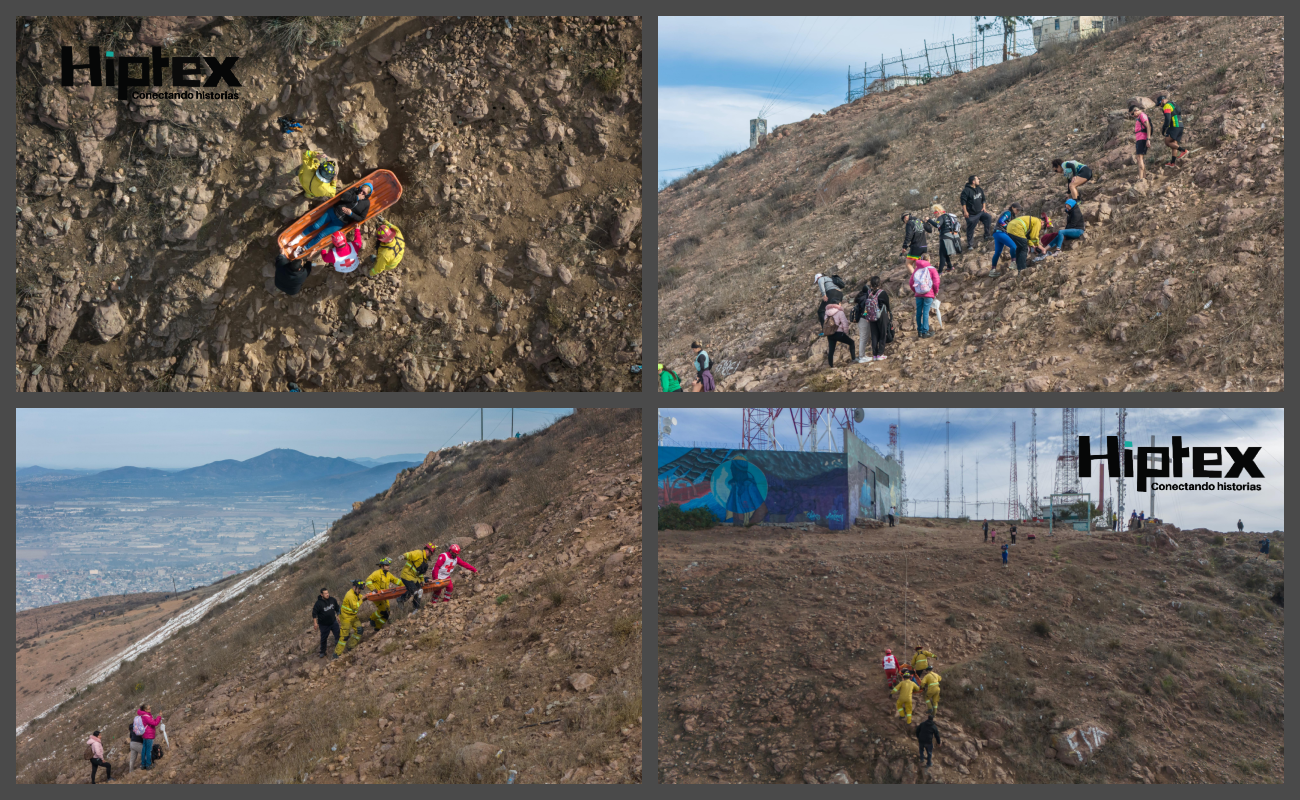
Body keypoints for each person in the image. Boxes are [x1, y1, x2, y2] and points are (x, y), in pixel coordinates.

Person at [294, 181, 373, 253]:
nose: (361, 193)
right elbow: (343, 196)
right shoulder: (354, 191)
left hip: (340, 222)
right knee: (316, 226)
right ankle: (299, 237)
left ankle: (304, 249)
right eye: (361, 190)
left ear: (368, 195)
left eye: (364, 193)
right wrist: (357, 197)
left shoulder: (366, 203)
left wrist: (351, 214)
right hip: (333, 211)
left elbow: (361, 218)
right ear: (360, 187)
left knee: (321, 235)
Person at [854, 276, 892, 363]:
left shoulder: (868, 292)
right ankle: (880, 354)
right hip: (881, 315)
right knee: (882, 333)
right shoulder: (882, 293)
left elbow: (866, 305)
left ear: (871, 284)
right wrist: (889, 313)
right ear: (879, 283)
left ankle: (874, 355)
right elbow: (887, 305)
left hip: (871, 316)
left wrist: (866, 315)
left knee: (874, 335)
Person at [364, 557, 404, 630]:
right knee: (383, 610)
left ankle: (377, 627)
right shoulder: (376, 573)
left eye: (388, 565)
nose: (388, 566)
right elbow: (368, 580)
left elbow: (396, 581)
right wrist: (373, 589)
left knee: (387, 613)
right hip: (377, 597)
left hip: (385, 596)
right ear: (382, 566)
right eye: (386, 565)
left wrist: (405, 585)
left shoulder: (388, 574)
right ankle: (372, 618)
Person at [397, 543, 438, 609]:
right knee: (415, 591)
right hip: (406, 575)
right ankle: (401, 599)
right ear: (428, 550)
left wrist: (422, 581)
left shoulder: (425, 560)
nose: (432, 555)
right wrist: (403, 556)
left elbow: (420, 573)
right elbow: (410, 554)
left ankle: (416, 608)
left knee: (420, 591)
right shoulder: (419, 553)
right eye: (432, 553)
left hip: (414, 578)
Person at [923, 204, 962, 274]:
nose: (935, 215)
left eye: (935, 213)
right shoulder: (948, 216)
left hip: (945, 237)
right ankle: (950, 266)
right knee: (945, 252)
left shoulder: (941, 217)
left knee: (942, 254)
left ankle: (940, 271)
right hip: (953, 236)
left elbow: (937, 225)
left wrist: (929, 220)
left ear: (939, 212)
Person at [1155, 94, 1190, 167]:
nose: (1160, 106)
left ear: (1163, 100)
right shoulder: (1174, 104)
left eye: (1160, 104)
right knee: (1174, 143)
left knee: (1167, 142)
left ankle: (1183, 150)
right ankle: (1172, 163)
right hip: (1180, 125)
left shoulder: (1166, 106)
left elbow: (1167, 119)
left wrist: (1164, 128)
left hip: (1174, 125)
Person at [908, 258, 940, 339]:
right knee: (925, 312)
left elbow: (911, 282)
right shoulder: (932, 269)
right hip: (928, 294)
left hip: (918, 294)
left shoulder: (916, 269)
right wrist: (935, 292)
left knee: (919, 312)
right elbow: (936, 282)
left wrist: (915, 291)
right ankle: (925, 332)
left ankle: (919, 331)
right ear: (928, 259)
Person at [335, 579, 368, 656]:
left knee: (359, 630)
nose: (360, 591)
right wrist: (362, 599)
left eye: (360, 589)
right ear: (354, 587)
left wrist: (368, 596)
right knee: (344, 636)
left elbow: (361, 597)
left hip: (352, 616)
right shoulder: (350, 595)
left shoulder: (356, 593)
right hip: (345, 617)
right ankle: (337, 654)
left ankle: (351, 646)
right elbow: (354, 606)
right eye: (359, 589)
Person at [960, 175, 993, 248]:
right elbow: (963, 202)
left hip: (980, 212)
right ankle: (970, 245)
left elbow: (983, 199)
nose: (979, 180)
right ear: (973, 181)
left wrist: (984, 207)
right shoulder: (966, 191)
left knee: (988, 217)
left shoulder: (979, 189)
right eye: (978, 179)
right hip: (971, 214)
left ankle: (987, 236)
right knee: (970, 228)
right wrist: (965, 212)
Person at [822, 298, 855, 366]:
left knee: (831, 350)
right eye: (840, 303)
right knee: (851, 343)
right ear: (838, 304)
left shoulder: (827, 313)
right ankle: (854, 360)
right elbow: (845, 323)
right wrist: (846, 332)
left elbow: (825, 322)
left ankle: (831, 366)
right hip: (839, 333)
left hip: (830, 334)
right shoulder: (840, 312)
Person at [990, 203, 1021, 272]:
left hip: (997, 233)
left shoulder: (1013, 217)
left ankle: (993, 270)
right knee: (1013, 246)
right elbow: (1001, 221)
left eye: (1019, 210)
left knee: (998, 252)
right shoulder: (1008, 213)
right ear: (1012, 207)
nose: (1018, 211)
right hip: (1000, 232)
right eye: (1017, 209)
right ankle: (1013, 262)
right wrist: (1007, 227)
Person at [312, 587, 341, 658]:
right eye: (325, 593)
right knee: (324, 638)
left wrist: (338, 616)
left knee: (338, 634)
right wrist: (315, 623)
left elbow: (337, 608)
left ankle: (338, 647)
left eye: (327, 593)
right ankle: (322, 651)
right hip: (324, 624)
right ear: (321, 594)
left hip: (333, 622)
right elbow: (314, 613)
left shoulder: (332, 600)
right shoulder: (318, 603)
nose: (327, 594)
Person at [1130, 103, 1154, 182]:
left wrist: (1148, 139)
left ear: (1136, 110)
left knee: (1140, 158)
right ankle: (1143, 177)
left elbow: (1148, 127)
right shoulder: (1139, 117)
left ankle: (1141, 179)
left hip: (1142, 139)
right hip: (1139, 139)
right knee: (1139, 158)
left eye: (1132, 114)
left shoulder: (1142, 116)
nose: (1133, 116)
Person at [138, 704, 162, 770]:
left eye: (150, 707)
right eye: (149, 708)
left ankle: (143, 764)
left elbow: (151, 722)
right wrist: (159, 716)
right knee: (148, 750)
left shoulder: (143, 715)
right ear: (145, 710)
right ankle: (148, 765)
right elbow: (155, 723)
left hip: (145, 735)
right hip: (149, 735)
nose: (150, 709)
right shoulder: (146, 716)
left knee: (144, 750)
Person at [128, 708, 145, 773]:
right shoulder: (139, 726)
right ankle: (144, 765)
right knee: (145, 753)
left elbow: (130, 736)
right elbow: (142, 735)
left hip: (132, 743)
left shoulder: (132, 727)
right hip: (137, 743)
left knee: (132, 758)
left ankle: (131, 771)